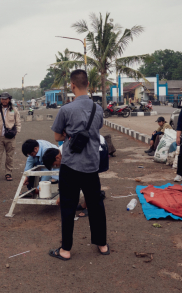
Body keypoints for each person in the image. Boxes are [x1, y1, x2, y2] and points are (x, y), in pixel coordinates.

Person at [49, 69, 108, 261]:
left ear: (72, 85)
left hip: (71, 165)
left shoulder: (66, 110)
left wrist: (69, 134)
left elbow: (57, 136)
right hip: (92, 164)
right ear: (88, 85)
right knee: (96, 205)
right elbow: (96, 130)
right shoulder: (98, 109)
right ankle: (102, 244)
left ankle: (66, 250)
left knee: (68, 206)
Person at [0, 92, 21, 181]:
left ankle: (8, 173)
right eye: (2, 99)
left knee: (10, 157)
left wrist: (16, 133)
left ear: (9, 99)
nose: (4, 101)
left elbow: (18, 122)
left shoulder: (14, 110)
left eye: (5, 99)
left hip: (10, 137)